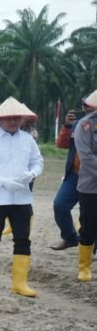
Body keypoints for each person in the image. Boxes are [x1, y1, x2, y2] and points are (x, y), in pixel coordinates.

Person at [0, 97, 44, 296]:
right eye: (8, 118)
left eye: (16, 118)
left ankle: (19, 283)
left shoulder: (28, 140)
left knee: (23, 239)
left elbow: (38, 163)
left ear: (22, 120)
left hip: (22, 198)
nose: (12, 122)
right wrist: (3, 182)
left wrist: (31, 174)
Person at [50, 107, 84, 250]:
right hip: (74, 175)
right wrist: (67, 125)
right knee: (60, 206)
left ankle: (91, 246)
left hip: (93, 178)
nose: (86, 108)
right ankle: (70, 238)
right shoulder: (77, 124)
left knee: (89, 213)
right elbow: (62, 144)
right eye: (85, 105)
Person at [73, 89, 97, 281]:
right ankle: (84, 267)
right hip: (91, 185)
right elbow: (86, 157)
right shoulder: (85, 125)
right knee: (89, 224)